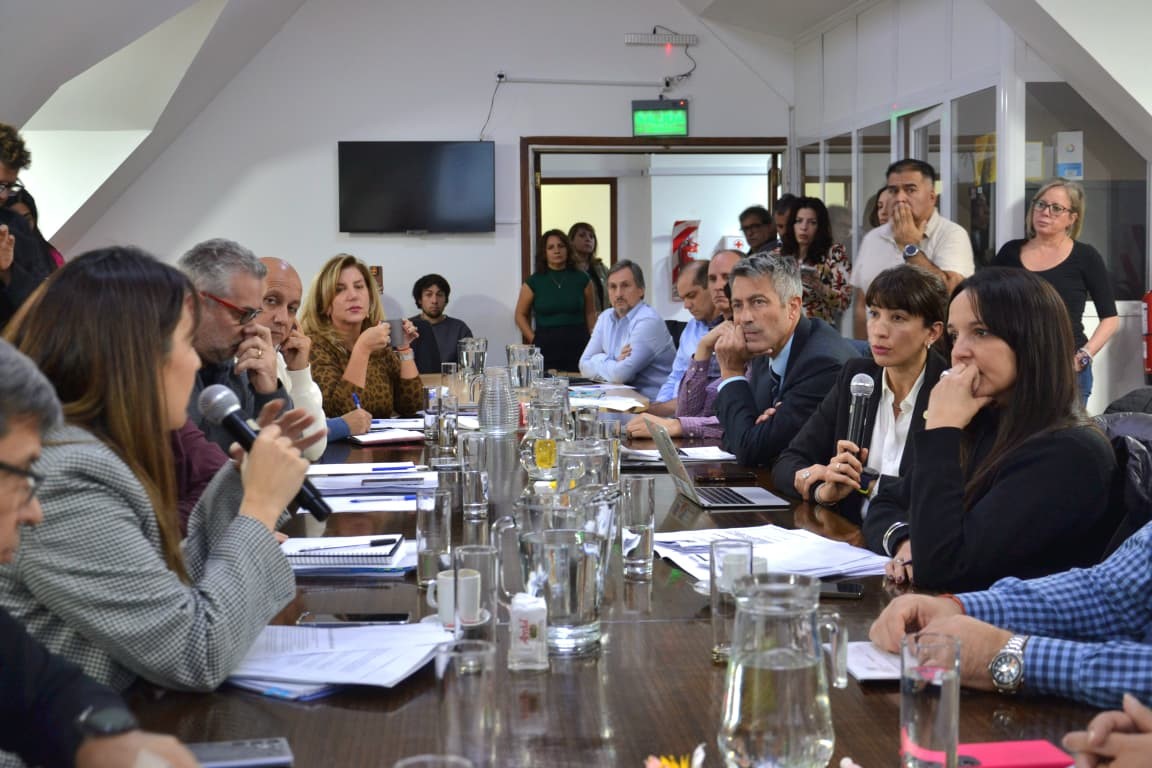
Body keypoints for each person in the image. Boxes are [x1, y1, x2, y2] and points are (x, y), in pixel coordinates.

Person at [0, 246, 309, 694]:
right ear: (136, 355)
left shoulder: (97, 446)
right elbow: (193, 652)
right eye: (185, 342)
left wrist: (243, 481)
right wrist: (258, 509)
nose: (195, 362)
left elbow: (167, 589)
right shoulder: (64, 476)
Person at [0, 339, 198, 768]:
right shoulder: (75, 474)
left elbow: (48, 691)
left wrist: (112, 739)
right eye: (23, 475)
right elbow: (190, 649)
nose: (35, 512)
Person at [863, 267, 1121, 592]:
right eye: (955, 335)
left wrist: (941, 430)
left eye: (981, 332)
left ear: (1032, 340)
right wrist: (904, 541)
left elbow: (943, 569)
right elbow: (886, 502)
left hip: (1010, 622)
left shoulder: (1069, 452)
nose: (958, 351)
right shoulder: (986, 421)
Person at [868, 518, 1152, 710]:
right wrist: (958, 607)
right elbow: (1109, 592)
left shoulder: (1069, 455)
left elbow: (942, 560)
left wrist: (1009, 655)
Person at [772, 265, 948, 521]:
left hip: (915, 540)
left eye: (898, 318)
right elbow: (789, 461)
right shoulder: (857, 378)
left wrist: (864, 481)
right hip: (850, 536)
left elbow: (937, 493)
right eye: (874, 314)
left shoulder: (948, 390)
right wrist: (822, 490)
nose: (879, 330)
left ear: (932, 332)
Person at [713, 253, 860, 467]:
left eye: (758, 302)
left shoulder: (822, 365)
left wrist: (732, 372)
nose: (745, 318)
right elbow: (734, 437)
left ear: (793, 307)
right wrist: (755, 434)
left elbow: (749, 449)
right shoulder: (765, 347)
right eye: (737, 305)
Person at [992, 179, 1118, 406]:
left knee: (1064, 430)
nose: (1045, 212)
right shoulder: (1010, 252)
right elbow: (985, 302)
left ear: (1072, 218)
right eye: (1041, 204)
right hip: (1016, 368)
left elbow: (1110, 319)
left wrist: (1083, 356)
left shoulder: (1085, 257)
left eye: (1056, 208)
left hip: (1067, 371)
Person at [179, 238, 294, 451]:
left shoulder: (240, 365)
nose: (251, 328)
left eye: (255, 314)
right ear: (193, 305)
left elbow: (293, 457)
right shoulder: (158, 371)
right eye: (242, 314)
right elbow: (194, 462)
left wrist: (269, 392)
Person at [626, 249, 742, 441]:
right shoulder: (695, 329)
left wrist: (670, 420)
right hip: (689, 428)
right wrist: (662, 416)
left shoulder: (747, 334)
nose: (720, 286)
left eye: (727, 277)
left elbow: (735, 419)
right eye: (713, 279)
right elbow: (679, 386)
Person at [851, 159, 974, 339]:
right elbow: (861, 306)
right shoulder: (873, 238)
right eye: (893, 190)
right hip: (876, 347)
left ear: (931, 197)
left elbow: (951, 294)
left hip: (930, 347)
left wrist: (909, 247)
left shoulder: (951, 234)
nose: (900, 198)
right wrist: (861, 349)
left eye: (910, 190)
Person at [300, 253, 423, 418]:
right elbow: (342, 412)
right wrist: (363, 349)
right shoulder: (313, 346)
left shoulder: (378, 342)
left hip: (384, 435)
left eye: (358, 287)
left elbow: (412, 405)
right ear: (325, 304)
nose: (353, 296)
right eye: (339, 289)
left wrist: (404, 348)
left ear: (370, 298)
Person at [259, 256, 358, 455]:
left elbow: (313, 448)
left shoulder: (282, 358)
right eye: (271, 301)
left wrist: (299, 375)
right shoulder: (228, 364)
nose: (282, 319)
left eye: (292, 309)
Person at [578, 260, 675, 400]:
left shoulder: (648, 321)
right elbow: (583, 364)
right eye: (613, 287)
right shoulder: (605, 318)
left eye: (625, 286)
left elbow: (621, 375)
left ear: (641, 290)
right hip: (616, 400)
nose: (618, 294)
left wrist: (599, 359)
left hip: (652, 404)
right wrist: (614, 360)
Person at [644, 260, 719, 417]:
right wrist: (659, 407)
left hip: (696, 417)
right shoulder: (691, 327)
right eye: (683, 298)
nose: (686, 305)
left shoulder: (728, 331)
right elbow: (675, 376)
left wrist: (659, 411)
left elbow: (708, 394)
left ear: (712, 288)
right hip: (673, 413)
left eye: (691, 296)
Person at [515, 229, 596, 372]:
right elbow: (519, 314)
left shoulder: (582, 279)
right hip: (545, 346)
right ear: (544, 253)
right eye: (551, 247)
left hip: (579, 344)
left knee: (580, 384)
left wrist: (594, 340)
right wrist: (534, 339)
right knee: (546, 384)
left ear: (568, 249)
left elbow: (590, 313)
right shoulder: (534, 281)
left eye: (561, 246)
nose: (557, 251)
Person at [0, 123, 53, 329]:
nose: (4, 196)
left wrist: (7, 272)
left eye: (10, 186)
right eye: (0, 186)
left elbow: (41, 306)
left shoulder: (16, 227)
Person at [780, 196, 852, 328]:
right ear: (792, 225)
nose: (804, 227)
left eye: (812, 222)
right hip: (784, 328)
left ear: (820, 226)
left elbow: (845, 301)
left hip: (818, 329)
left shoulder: (833, 253)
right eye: (799, 221)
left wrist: (819, 287)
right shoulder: (778, 255)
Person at [407, 273, 474, 374]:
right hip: (414, 382)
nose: (434, 301)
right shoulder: (407, 327)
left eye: (439, 295)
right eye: (429, 295)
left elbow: (469, 368)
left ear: (446, 299)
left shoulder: (459, 329)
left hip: (450, 382)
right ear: (420, 300)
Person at [7, 189, 64, 269]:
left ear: (34, 218)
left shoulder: (49, 252)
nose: (23, 226)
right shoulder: (5, 263)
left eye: (27, 220)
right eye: (15, 222)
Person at [568, 222, 609, 313]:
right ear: (571, 241)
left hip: (602, 318)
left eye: (591, 236)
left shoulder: (602, 268)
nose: (588, 239)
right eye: (582, 235)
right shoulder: (567, 268)